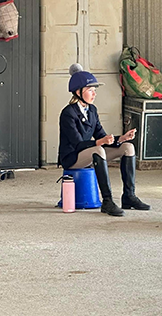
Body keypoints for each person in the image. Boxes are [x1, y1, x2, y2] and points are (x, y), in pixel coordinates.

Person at [58, 63, 150, 217]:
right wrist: (100, 142)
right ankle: (107, 201)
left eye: (95, 90)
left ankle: (129, 196)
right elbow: (78, 144)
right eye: (90, 90)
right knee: (98, 149)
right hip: (72, 157)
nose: (94, 94)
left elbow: (101, 135)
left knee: (128, 148)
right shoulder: (68, 113)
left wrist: (121, 138)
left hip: (92, 151)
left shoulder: (92, 110)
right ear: (78, 92)